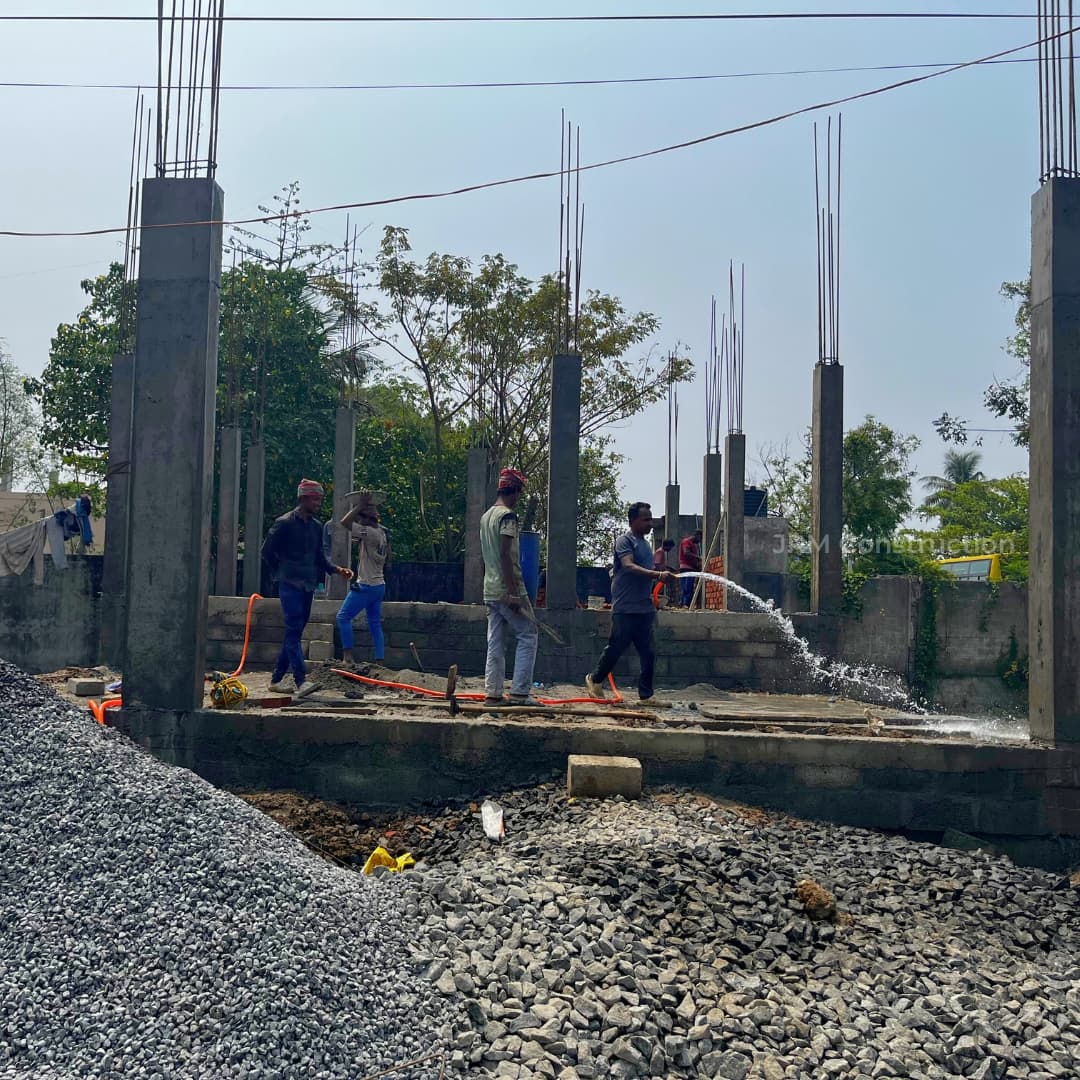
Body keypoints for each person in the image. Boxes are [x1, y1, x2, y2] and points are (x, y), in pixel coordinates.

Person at [262, 479, 352, 698]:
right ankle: (301, 680)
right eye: (315, 499)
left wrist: (337, 569)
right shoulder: (283, 523)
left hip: (307, 585)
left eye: (320, 499)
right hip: (289, 584)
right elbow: (267, 552)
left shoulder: (316, 527)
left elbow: (320, 557)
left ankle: (276, 679)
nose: (319, 503)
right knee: (293, 629)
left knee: (294, 632)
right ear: (303, 498)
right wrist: (280, 573)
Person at [586, 502, 676, 702]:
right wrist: (658, 574)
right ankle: (595, 678)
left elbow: (646, 571)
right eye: (645, 520)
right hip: (625, 607)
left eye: (650, 519)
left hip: (644, 608)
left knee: (648, 652)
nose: (650, 524)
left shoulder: (645, 545)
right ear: (632, 521)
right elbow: (628, 566)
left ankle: (646, 695)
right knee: (616, 647)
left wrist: (661, 575)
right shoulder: (624, 541)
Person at [480, 467, 539, 707]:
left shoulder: (486, 516)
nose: (519, 499)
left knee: (495, 640)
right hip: (508, 589)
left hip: (490, 589)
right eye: (519, 494)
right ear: (513, 491)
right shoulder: (508, 517)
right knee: (528, 635)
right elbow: (505, 555)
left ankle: (493, 692)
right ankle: (520, 693)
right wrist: (514, 592)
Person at [335, 495, 392, 667]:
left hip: (366, 585)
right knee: (375, 624)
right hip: (379, 585)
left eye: (361, 519)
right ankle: (380, 662)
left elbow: (344, 522)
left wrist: (359, 506)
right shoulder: (382, 533)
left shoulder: (370, 533)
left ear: (367, 519)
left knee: (343, 617)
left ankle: (348, 657)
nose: (359, 521)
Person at [679, 527, 703, 607]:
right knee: (687, 587)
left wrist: (698, 565)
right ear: (697, 535)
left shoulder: (694, 545)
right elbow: (686, 553)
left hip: (691, 568)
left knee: (688, 587)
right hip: (686, 568)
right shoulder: (686, 542)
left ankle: (685, 604)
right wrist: (699, 558)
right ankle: (684, 604)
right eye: (700, 539)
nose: (699, 541)